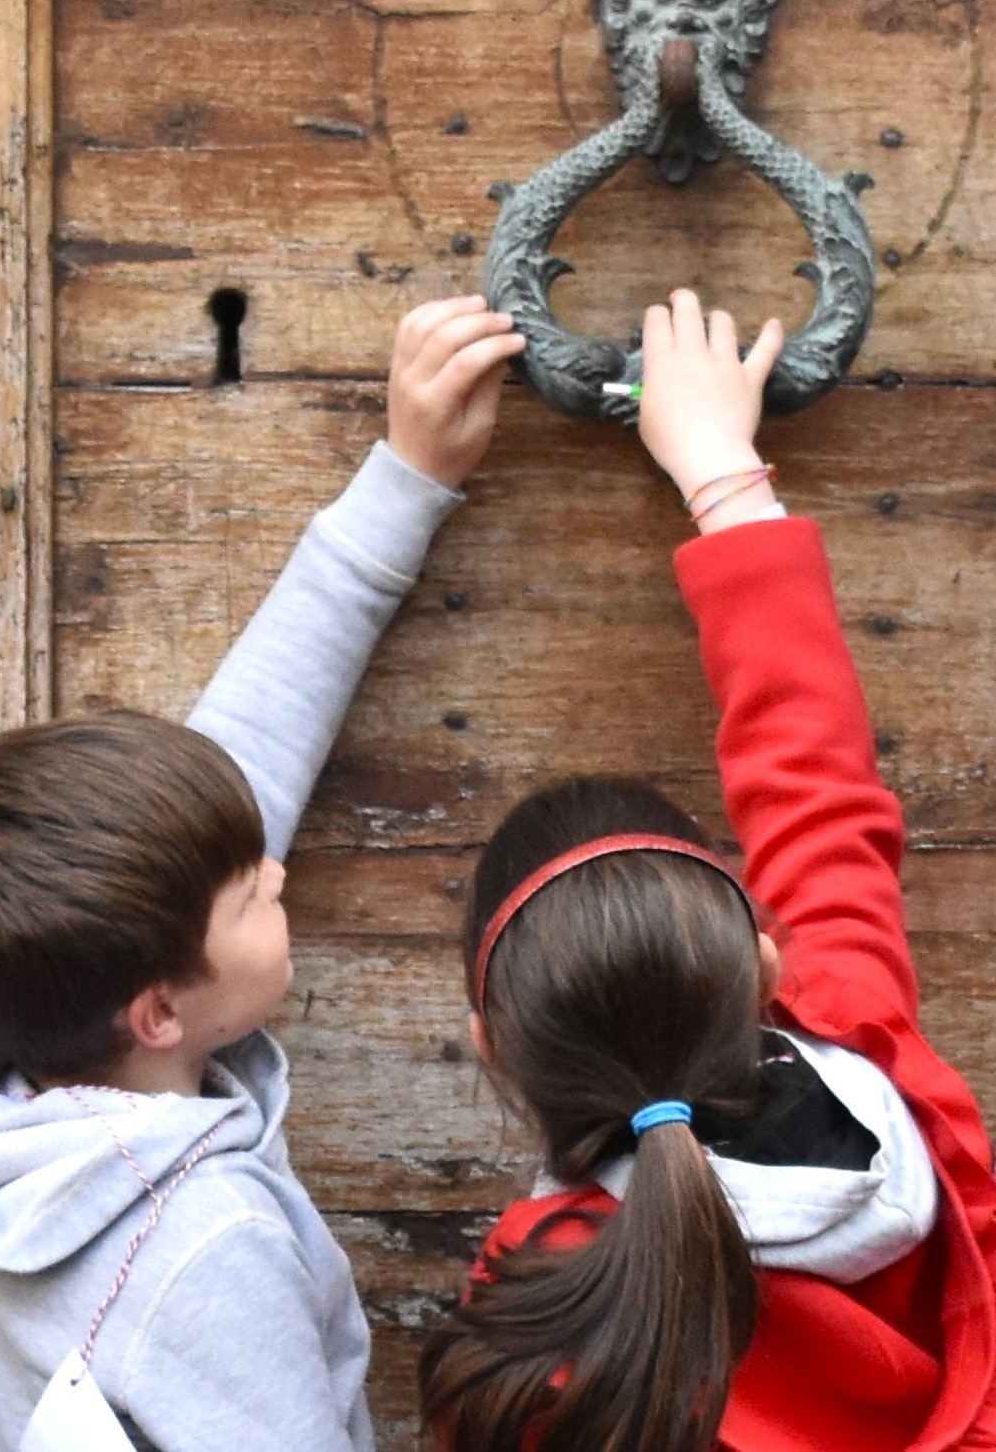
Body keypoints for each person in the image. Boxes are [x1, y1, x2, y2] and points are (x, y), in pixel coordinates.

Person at [0, 295, 527, 1452]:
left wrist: (404, 476)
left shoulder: (26, 1090)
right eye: (251, 894)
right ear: (157, 1007)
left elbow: (238, 765)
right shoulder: (202, 1241)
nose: (276, 874)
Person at [419, 289, 996, 1452]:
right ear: (766, 966)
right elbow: (815, 796)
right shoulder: (873, 1060)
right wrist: (723, 474)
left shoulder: (533, 1309)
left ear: (491, 1042)